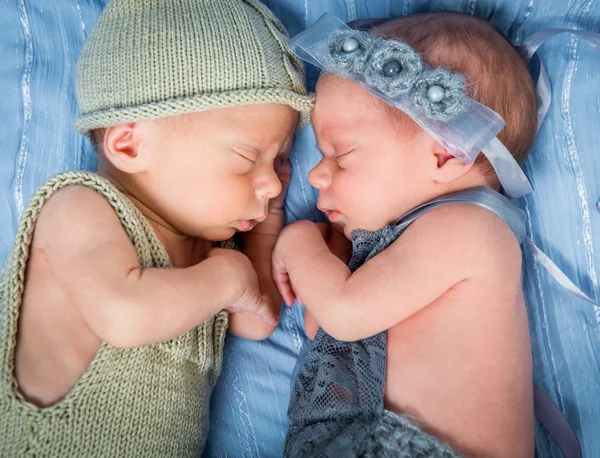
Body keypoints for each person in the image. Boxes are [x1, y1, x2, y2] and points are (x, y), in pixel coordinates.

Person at [0, 0, 313, 456]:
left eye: (279, 161)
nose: (268, 183)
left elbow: (257, 318)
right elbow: (123, 316)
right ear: (129, 145)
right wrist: (228, 276)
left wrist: (266, 228)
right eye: (248, 159)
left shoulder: (211, 249)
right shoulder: (78, 207)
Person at [275, 12, 537, 457]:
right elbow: (327, 329)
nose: (316, 174)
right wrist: (336, 259)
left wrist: (296, 240)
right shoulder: (403, 241)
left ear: (444, 156)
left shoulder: (473, 231)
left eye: (342, 154)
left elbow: (343, 313)